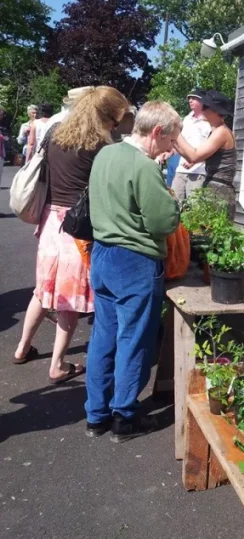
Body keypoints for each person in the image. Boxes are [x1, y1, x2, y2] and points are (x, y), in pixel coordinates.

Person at [13, 87, 130, 385]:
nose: (115, 127)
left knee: (43, 289)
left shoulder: (55, 132)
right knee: (69, 298)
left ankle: (22, 347)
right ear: (106, 117)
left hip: (49, 219)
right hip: (76, 226)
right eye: (115, 121)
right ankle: (58, 365)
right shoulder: (100, 146)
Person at [85, 101, 181, 442]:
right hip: (135, 261)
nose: (171, 148)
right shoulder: (144, 167)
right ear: (157, 132)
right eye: (170, 140)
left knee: (103, 338)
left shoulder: (106, 154)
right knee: (134, 340)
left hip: (102, 254)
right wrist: (173, 203)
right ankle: (124, 417)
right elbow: (162, 221)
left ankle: (96, 415)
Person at [174, 90, 237, 218]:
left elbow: (194, 155)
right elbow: (192, 156)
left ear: (216, 111)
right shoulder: (215, 132)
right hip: (214, 189)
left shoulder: (221, 132)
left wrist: (174, 131)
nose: (202, 109)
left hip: (219, 192)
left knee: (213, 234)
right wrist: (173, 140)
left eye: (206, 106)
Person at [171, 88, 211, 200]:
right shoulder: (186, 120)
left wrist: (194, 161)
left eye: (193, 98)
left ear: (202, 100)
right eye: (189, 98)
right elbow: (181, 142)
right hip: (180, 169)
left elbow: (210, 149)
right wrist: (169, 152)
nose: (190, 100)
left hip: (198, 171)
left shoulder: (209, 121)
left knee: (194, 208)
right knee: (174, 203)